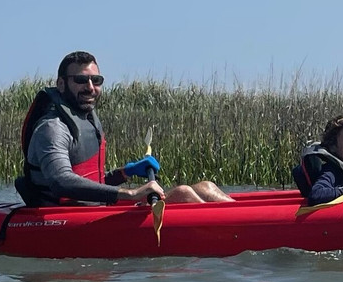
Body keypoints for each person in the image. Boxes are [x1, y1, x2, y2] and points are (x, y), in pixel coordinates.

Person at [15, 51, 233, 206]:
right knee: (183, 193)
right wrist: (130, 193)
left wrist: (124, 173)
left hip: (94, 209)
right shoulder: (53, 128)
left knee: (206, 186)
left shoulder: (87, 119)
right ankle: (234, 229)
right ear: (61, 84)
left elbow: (92, 183)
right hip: (63, 218)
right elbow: (61, 182)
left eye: (96, 80)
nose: (90, 87)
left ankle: (243, 219)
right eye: (81, 80)